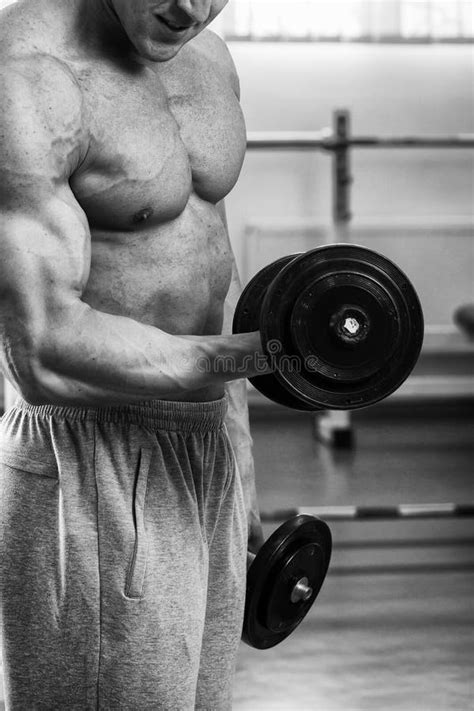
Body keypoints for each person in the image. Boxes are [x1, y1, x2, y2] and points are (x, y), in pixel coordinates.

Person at [0, 1, 270, 708]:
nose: (191, 6)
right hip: (91, 460)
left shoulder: (206, 57)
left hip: (202, 449)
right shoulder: (28, 75)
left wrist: (238, 463)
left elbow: (213, 266)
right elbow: (47, 348)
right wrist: (264, 356)